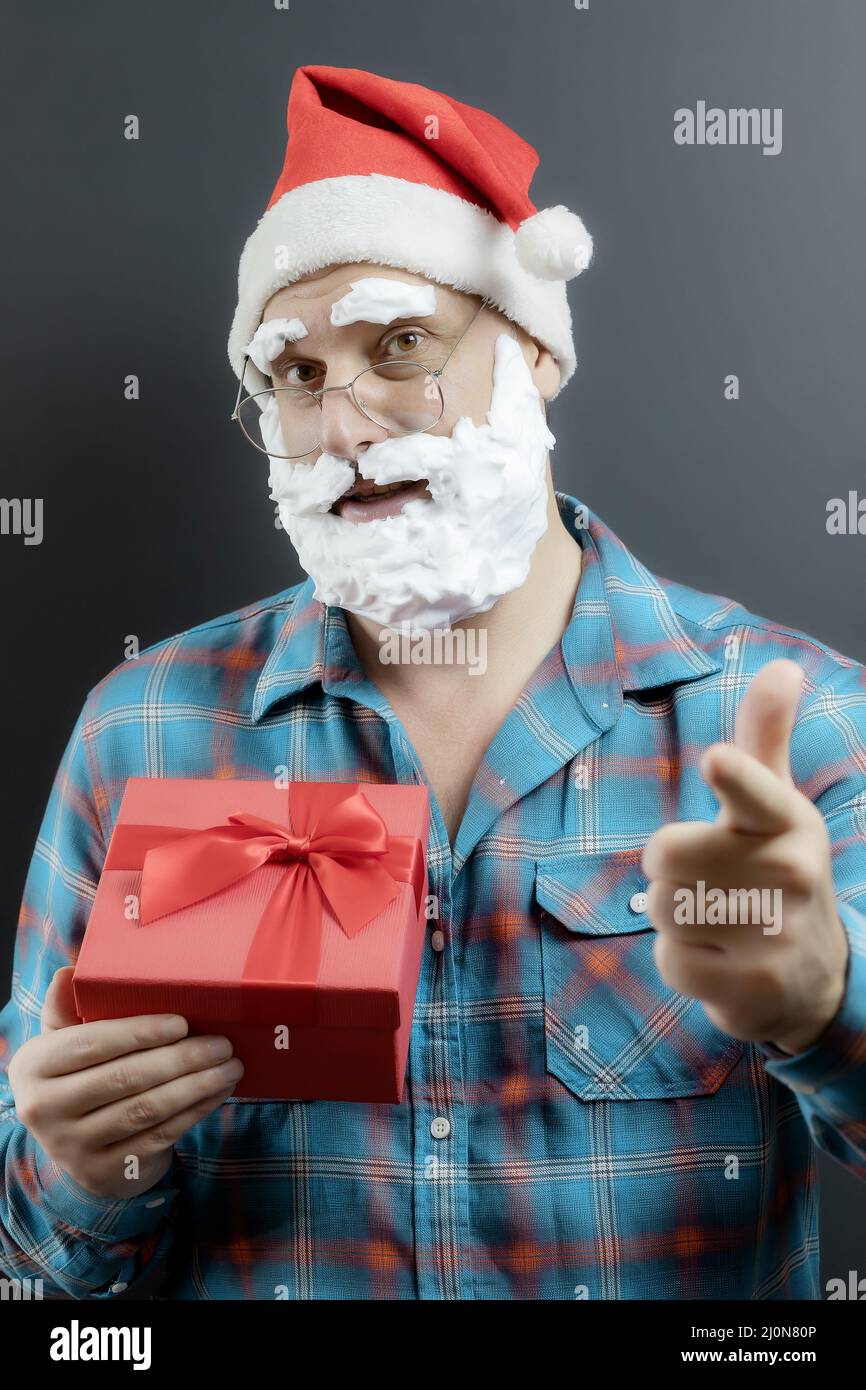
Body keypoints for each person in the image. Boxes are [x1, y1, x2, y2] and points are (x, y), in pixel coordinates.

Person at [0, 64, 863, 1302]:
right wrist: (82, 1166)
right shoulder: (139, 732)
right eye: (296, 375)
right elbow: (34, 1287)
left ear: (535, 352)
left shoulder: (802, 721)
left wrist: (827, 1001)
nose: (346, 424)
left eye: (400, 344)